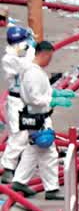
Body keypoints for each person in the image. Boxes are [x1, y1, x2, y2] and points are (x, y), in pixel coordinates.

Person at [11, 41, 73, 200]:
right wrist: (52, 100)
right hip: (38, 118)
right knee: (49, 153)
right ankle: (51, 189)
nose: (50, 61)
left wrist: (56, 93)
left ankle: (19, 180)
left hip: (36, 118)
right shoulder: (32, 73)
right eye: (49, 57)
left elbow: (41, 91)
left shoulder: (35, 71)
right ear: (43, 54)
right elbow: (34, 97)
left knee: (33, 150)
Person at [2, 26, 35, 183]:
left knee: (32, 132)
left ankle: (22, 165)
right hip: (16, 101)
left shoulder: (22, 55)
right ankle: (8, 168)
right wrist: (31, 51)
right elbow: (25, 67)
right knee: (19, 134)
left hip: (28, 99)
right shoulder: (9, 59)